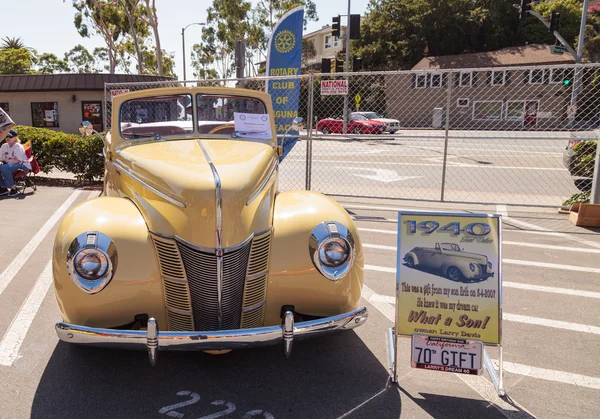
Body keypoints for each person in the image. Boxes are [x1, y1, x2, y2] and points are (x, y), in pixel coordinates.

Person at [0, 130, 31, 197]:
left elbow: (18, 160)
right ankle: (3, 188)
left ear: (15, 138)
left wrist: (6, 165)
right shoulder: (4, 146)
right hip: (10, 165)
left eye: (10, 137)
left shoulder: (18, 146)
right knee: (2, 167)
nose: (8, 138)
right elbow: (1, 159)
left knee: (4, 168)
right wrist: (1, 162)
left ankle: (13, 188)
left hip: (22, 165)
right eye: (7, 136)